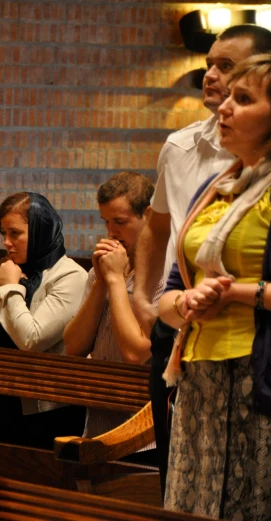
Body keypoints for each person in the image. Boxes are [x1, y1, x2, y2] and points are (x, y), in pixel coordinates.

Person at [130, 25, 271, 493]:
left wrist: (232, 292)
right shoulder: (207, 178)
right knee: (184, 494)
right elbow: (166, 242)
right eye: (211, 66)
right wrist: (156, 302)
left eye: (237, 84)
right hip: (193, 359)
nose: (217, 88)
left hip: (259, 366)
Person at [0, 192, 87, 448]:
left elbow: (31, 340)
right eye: (3, 234)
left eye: (15, 233)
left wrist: (10, 289)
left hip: (44, 410)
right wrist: (1, 291)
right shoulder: (13, 271)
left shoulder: (70, 276)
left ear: (42, 230)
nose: (7, 242)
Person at [64, 171, 159, 440]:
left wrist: (116, 280)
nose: (110, 232)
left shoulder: (167, 275)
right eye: (106, 222)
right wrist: (101, 283)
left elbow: (137, 353)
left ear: (149, 217)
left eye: (120, 222)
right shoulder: (101, 273)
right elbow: (74, 347)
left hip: (145, 435)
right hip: (98, 425)